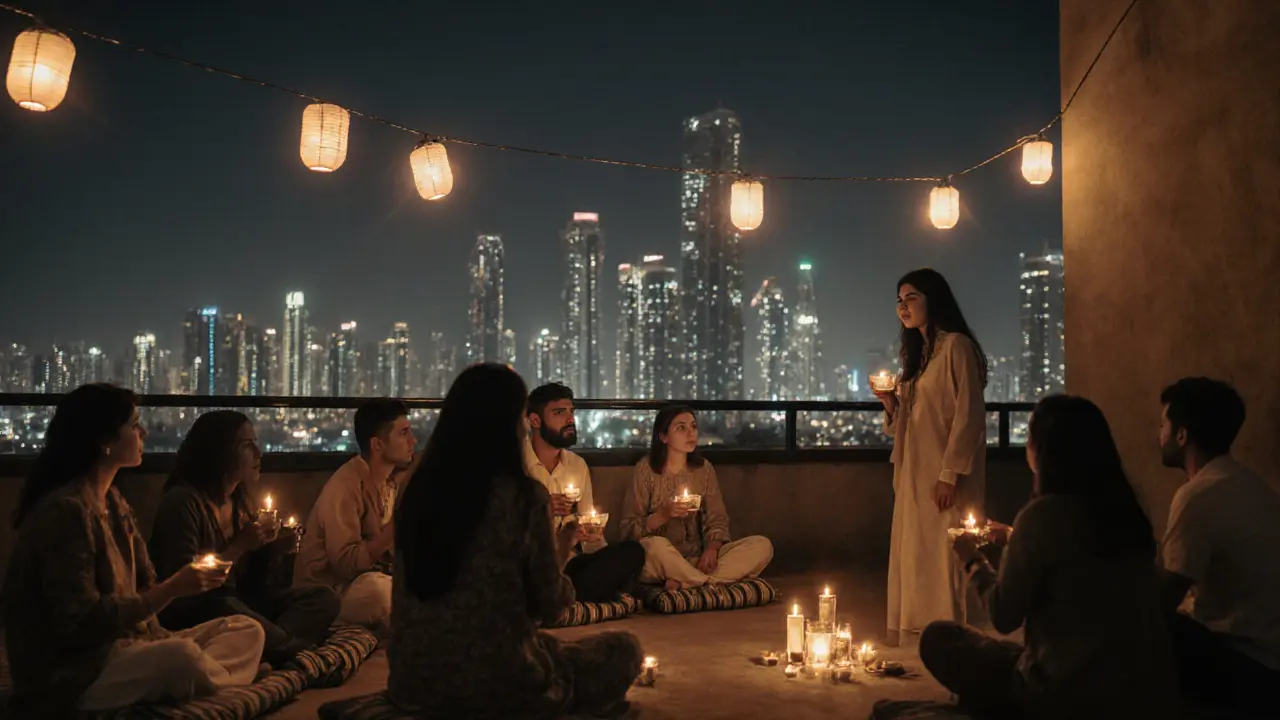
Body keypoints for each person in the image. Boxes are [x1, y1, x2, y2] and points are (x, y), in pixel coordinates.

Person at [387, 363, 642, 718]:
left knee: (549, 647)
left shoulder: (415, 491)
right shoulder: (522, 496)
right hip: (497, 685)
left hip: (412, 683)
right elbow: (550, 607)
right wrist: (563, 547)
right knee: (622, 648)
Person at [2, 384, 265, 716]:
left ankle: (212, 677)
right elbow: (81, 624)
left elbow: (144, 590)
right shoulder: (65, 512)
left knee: (245, 629)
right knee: (179, 659)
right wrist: (175, 588)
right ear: (106, 441)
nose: (143, 431)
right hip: (74, 673)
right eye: (134, 424)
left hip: (128, 646)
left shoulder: (114, 502)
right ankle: (224, 679)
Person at [920, 395, 1178, 719]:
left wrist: (972, 560)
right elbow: (1077, 560)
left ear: (1043, 450)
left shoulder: (1043, 515)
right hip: (1139, 691)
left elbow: (1003, 614)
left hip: (1064, 693)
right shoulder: (1126, 513)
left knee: (940, 639)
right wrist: (1014, 539)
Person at [148, 411, 339, 666]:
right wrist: (240, 546)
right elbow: (185, 593)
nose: (259, 453)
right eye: (247, 445)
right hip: (200, 612)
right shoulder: (183, 503)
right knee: (226, 606)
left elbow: (259, 587)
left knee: (322, 599)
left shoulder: (240, 502)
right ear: (220, 451)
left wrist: (273, 551)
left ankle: (272, 648)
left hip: (244, 604)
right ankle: (287, 650)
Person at [871, 268, 987, 643]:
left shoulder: (956, 347)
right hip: (913, 473)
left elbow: (969, 414)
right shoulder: (919, 357)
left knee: (944, 553)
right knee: (916, 552)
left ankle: (953, 634)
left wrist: (949, 474)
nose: (902, 307)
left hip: (942, 473)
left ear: (933, 300)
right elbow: (909, 423)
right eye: (899, 301)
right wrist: (891, 403)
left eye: (912, 298)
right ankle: (919, 630)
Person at [1157, 377, 1280, 711]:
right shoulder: (1245, 483)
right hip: (1269, 653)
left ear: (1182, 435)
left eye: (1163, 423)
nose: (1159, 433)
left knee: (1138, 625)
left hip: (1249, 664)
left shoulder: (1199, 495)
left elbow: (1165, 596)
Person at [293, 397, 415, 629]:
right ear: (377, 444)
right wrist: (395, 527)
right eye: (403, 434)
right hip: (326, 595)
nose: (412, 441)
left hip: (361, 582)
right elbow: (345, 564)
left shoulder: (387, 484)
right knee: (381, 593)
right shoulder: (346, 486)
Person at [620, 405, 773, 590]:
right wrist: (662, 515)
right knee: (654, 547)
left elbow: (717, 519)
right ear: (663, 436)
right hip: (662, 560)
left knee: (762, 546)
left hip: (698, 558)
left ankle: (686, 580)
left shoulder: (703, 469)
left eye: (693, 426)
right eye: (681, 428)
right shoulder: (645, 471)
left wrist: (711, 549)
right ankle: (705, 582)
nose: (690, 433)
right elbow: (627, 531)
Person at [523, 383, 645, 604]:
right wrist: (542, 508)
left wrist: (591, 534)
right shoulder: (515, 464)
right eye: (560, 413)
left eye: (572, 412)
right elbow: (500, 527)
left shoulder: (577, 465)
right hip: (530, 563)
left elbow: (587, 526)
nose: (570, 419)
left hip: (569, 563)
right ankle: (577, 596)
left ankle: (568, 595)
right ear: (535, 420)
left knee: (633, 552)